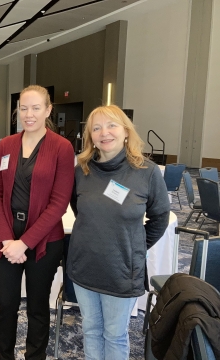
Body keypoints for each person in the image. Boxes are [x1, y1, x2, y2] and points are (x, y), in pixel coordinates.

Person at [68, 105, 170, 360]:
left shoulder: (146, 172)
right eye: (97, 128)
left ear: (125, 131)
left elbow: (160, 217)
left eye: (111, 125)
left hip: (122, 269)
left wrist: (133, 246)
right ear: (90, 136)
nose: (105, 133)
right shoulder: (82, 170)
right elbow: (78, 208)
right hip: (85, 265)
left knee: (115, 334)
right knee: (90, 329)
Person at [0, 85, 75, 360]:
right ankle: (6, 356)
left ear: (49, 110)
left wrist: (24, 243)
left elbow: (59, 203)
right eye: (23, 108)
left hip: (45, 241)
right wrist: (7, 239)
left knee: (38, 307)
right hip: (6, 234)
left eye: (36, 108)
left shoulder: (62, 147)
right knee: (7, 305)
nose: (29, 114)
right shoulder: (6, 145)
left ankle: (34, 356)